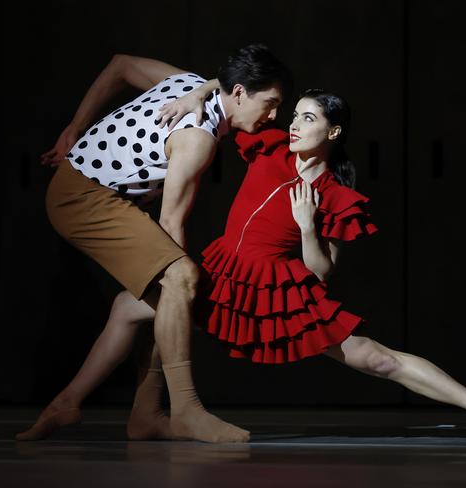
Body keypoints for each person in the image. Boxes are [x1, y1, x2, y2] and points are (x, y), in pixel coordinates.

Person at [20, 85, 466, 443]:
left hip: (279, 290)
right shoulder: (267, 147)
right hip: (221, 269)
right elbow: (231, 103)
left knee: (375, 358)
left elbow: (321, 271)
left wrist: (309, 224)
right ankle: (78, 404)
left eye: (309, 118)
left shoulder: (339, 197)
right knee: (127, 307)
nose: (294, 124)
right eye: (295, 115)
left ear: (334, 132)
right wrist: (203, 88)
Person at [17, 44, 292, 443]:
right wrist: (181, 282)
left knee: (153, 299)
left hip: (92, 191)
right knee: (180, 280)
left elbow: (121, 65)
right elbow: (170, 222)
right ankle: (184, 410)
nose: (273, 116)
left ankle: (109, 408)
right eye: (269, 103)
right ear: (238, 93)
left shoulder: (190, 85)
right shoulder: (197, 138)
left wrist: (75, 127)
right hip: (84, 199)